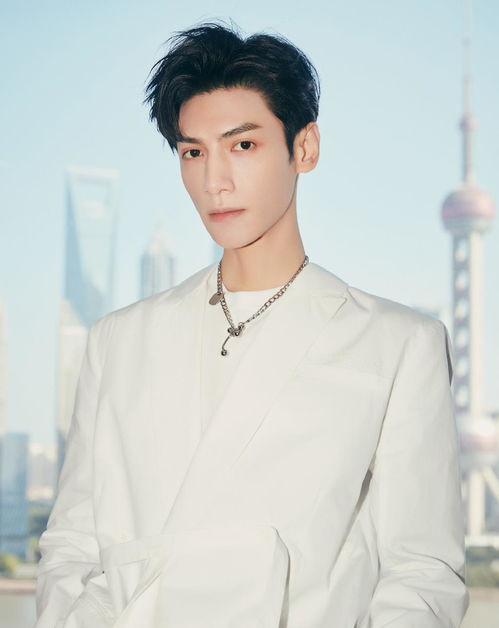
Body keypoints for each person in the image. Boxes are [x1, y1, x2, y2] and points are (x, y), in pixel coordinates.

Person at [35, 19, 469, 627]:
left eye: (242, 146)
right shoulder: (119, 341)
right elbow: (73, 544)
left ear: (304, 148)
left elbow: (421, 572)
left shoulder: (398, 345)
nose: (214, 181)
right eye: (193, 152)